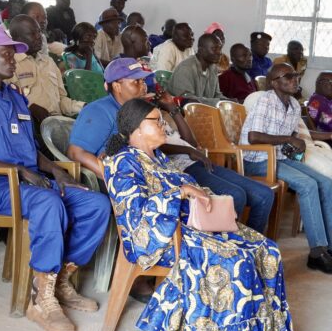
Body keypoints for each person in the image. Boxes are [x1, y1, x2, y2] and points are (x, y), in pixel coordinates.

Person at [0, 26, 110, 331]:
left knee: (96, 204)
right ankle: (40, 299)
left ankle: (59, 281)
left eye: (13, 54)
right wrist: (19, 171)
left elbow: (30, 151)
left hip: (31, 184)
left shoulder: (16, 98)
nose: (13, 60)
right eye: (6, 54)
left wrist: (56, 170)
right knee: (49, 203)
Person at [103, 97, 293, 331]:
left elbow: (190, 188)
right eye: (157, 121)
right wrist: (180, 192)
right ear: (136, 128)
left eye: (162, 120)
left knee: (266, 249)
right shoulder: (123, 162)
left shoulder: (159, 156)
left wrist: (211, 201)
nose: (163, 126)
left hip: (192, 225)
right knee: (236, 260)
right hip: (163, 238)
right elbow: (134, 215)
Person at [69, 57, 273, 233]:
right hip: (137, 183)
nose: (143, 86)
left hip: (162, 173)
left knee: (248, 196)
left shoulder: (142, 109)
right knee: (230, 197)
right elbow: (76, 152)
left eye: (143, 81)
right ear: (116, 86)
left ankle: (231, 239)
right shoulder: (99, 111)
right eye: (136, 82)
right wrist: (114, 176)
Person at [241, 63, 332, 273]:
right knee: (308, 185)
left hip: (280, 157)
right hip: (257, 159)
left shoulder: (293, 105)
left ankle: (329, 247)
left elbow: (290, 137)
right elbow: (254, 137)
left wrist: (297, 143)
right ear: (274, 83)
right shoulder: (265, 101)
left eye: (296, 75)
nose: (294, 79)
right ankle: (317, 253)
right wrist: (289, 139)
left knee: (327, 183)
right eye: (288, 76)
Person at [8, 16, 84, 125]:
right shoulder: (10, 65)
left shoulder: (49, 62)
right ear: (17, 38)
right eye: (32, 34)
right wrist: (29, 109)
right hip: (30, 127)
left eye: (39, 32)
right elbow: (7, 104)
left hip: (56, 124)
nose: (39, 36)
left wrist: (82, 107)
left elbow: (61, 100)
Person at [167, 33, 229, 105]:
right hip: (180, 110)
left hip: (203, 110)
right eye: (214, 49)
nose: (219, 53)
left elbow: (216, 95)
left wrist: (229, 102)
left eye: (220, 49)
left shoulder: (213, 67)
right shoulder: (186, 68)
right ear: (201, 50)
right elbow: (187, 101)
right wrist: (218, 102)